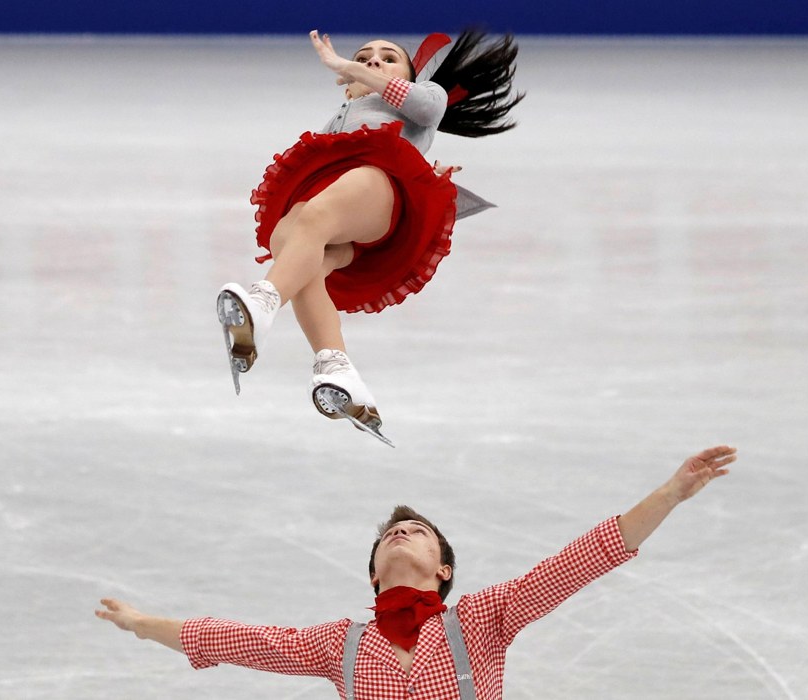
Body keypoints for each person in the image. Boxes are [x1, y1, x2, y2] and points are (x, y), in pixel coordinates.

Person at [96, 445, 738, 699]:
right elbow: (238, 642)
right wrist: (141, 624)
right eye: (388, 536)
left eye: (418, 531)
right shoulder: (339, 646)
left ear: (444, 568)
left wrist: (670, 494)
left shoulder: (484, 620)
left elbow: (583, 559)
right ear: (375, 574)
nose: (400, 533)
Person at [217, 29, 524, 444]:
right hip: (339, 204)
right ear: (347, 91)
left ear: (409, 77)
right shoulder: (340, 116)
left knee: (313, 217)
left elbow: (425, 104)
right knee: (292, 239)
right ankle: (336, 367)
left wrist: (346, 64)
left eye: (388, 57)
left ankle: (265, 301)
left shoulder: (423, 97)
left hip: (379, 186)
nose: (373, 61)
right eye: (364, 57)